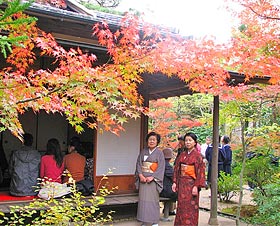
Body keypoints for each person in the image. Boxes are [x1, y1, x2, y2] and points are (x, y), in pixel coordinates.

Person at [172, 132, 205, 226]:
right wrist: (175, 182)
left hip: (192, 185)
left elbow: (200, 173)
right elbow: (177, 169)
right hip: (182, 185)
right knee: (181, 207)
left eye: (190, 140)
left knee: (191, 208)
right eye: (186, 140)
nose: (188, 142)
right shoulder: (182, 155)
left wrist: (196, 186)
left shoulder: (198, 156)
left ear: (195, 142)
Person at [135, 131, 165, 226]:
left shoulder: (159, 153)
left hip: (153, 181)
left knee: (153, 201)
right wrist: (140, 175)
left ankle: (154, 221)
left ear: (157, 141)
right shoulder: (143, 152)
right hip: (143, 179)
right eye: (150, 139)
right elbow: (139, 164)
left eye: (154, 140)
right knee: (143, 201)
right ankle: (144, 221)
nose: (151, 141)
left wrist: (153, 177)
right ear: (147, 141)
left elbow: (161, 167)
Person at [160, 148, 177, 220]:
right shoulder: (168, 167)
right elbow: (174, 177)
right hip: (164, 190)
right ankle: (170, 211)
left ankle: (169, 210)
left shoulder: (160, 164)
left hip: (160, 189)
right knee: (177, 192)